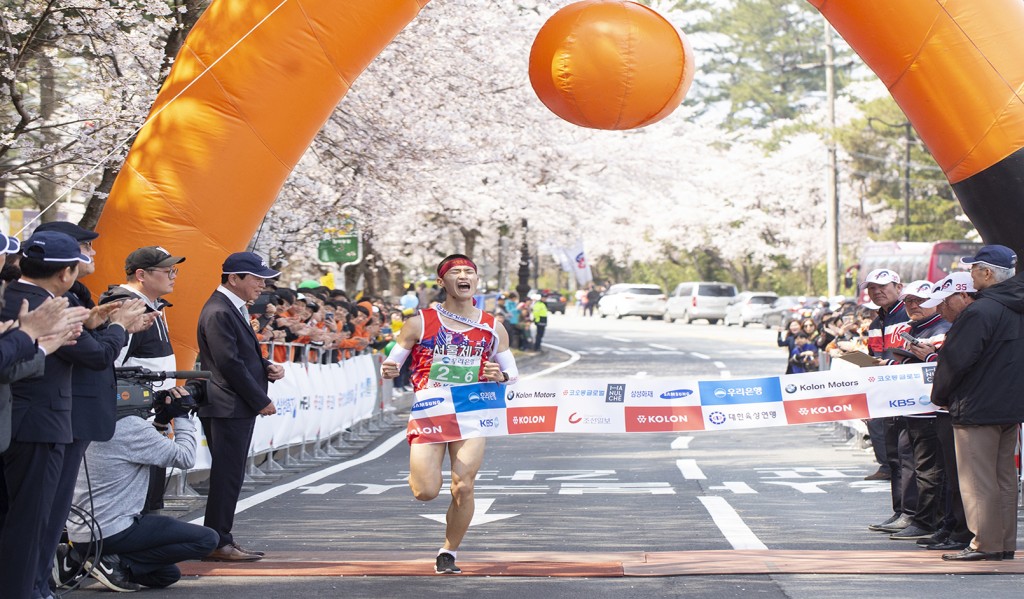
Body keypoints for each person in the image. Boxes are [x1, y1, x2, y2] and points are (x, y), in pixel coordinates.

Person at [30, 222, 149, 599]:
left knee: (52, 508)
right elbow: (92, 355)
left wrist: (105, 324)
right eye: (85, 247)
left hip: (70, 412)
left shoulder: (76, 294)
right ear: (63, 260)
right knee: (42, 510)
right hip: (58, 413)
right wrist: (117, 328)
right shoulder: (50, 300)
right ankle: (34, 583)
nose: (92, 254)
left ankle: (38, 581)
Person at [379, 254, 517, 575]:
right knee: (425, 490)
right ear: (442, 282)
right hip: (431, 412)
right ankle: (428, 480)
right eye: (455, 272)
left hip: (473, 410)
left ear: (476, 281)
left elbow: (512, 373)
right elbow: (392, 366)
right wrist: (388, 369)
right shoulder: (419, 323)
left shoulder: (492, 326)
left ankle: (448, 552)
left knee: (463, 485)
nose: (463, 276)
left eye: (469, 271)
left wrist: (501, 376)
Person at [0, 231, 92, 599]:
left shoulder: (15, 299)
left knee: (19, 521)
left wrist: (39, 347)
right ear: (67, 273)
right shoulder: (40, 306)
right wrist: (32, 338)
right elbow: (96, 356)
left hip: (18, 421)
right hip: (37, 423)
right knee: (29, 523)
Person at [63, 390, 218, 591]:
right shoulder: (131, 427)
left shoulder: (92, 421)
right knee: (207, 540)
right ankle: (111, 561)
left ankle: (77, 560)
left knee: (167, 574)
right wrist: (182, 416)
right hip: (114, 531)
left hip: (82, 533)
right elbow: (185, 457)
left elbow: (143, 450)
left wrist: (161, 422)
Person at [931, 245, 1024, 562]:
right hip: (1011, 405)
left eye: (973, 269)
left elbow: (955, 361)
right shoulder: (1016, 307)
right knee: (1004, 479)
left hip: (976, 405)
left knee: (977, 479)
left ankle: (985, 543)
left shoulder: (980, 311)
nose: (969, 275)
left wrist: (940, 395)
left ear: (987, 272)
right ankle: (1004, 542)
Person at [196, 252, 285, 562]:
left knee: (230, 473)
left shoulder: (231, 308)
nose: (262, 284)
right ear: (234, 278)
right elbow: (228, 362)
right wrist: (260, 399)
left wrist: (266, 367)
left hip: (231, 403)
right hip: (227, 403)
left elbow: (239, 355)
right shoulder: (220, 310)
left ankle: (220, 537)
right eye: (256, 278)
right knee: (227, 474)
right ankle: (218, 540)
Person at [99, 245, 186, 514]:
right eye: (167, 270)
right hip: (132, 422)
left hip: (150, 420)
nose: (174, 275)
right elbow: (110, 363)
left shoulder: (151, 306)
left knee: (150, 500)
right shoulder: (127, 306)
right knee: (138, 504)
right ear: (141, 274)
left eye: (175, 269)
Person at [876, 280, 950, 544]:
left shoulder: (942, 327)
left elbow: (944, 365)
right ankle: (916, 515)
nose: (913, 306)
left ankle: (927, 520)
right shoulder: (911, 328)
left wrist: (925, 356)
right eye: (908, 301)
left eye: (919, 301)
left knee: (930, 469)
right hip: (912, 407)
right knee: (912, 464)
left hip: (932, 409)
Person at [860, 268, 916, 533]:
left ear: (898, 286)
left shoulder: (909, 315)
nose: (877, 291)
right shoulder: (875, 323)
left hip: (911, 396)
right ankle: (900, 511)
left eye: (883, 286)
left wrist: (889, 363)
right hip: (886, 396)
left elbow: (914, 355)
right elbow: (875, 357)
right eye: (872, 287)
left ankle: (912, 514)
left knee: (908, 459)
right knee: (893, 458)